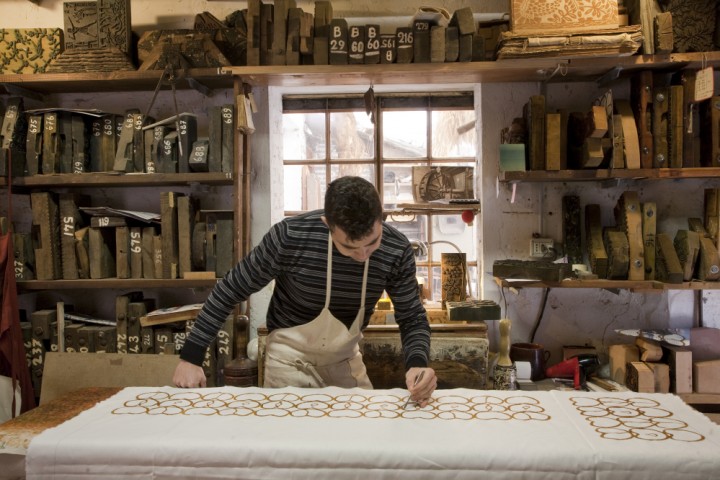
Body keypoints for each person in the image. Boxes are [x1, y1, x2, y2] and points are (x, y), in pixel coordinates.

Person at [173, 176, 437, 406]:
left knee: (360, 443)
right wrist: (191, 357)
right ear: (327, 223)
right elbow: (230, 290)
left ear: (381, 219)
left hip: (344, 361)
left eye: (371, 244)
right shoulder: (290, 237)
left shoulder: (396, 249)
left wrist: (417, 362)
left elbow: (411, 316)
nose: (362, 255)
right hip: (289, 362)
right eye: (349, 247)